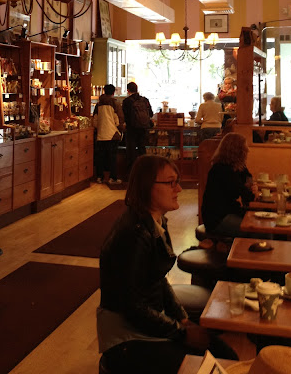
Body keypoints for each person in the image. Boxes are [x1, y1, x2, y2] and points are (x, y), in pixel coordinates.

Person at [97, 154, 237, 374]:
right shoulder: (133, 234)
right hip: (125, 338)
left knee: (224, 353)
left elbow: (158, 280)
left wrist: (182, 318)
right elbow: (133, 307)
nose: (179, 188)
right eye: (171, 182)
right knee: (211, 362)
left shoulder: (155, 222)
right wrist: (181, 332)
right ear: (147, 186)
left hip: (147, 322)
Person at [201, 132, 258, 236]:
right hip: (217, 219)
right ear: (237, 151)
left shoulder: (236, 166)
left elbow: (248, 177)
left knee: (259, 224)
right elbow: (245, 194)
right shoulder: (222, 169)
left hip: (228, 212)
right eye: (245, 147)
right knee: (259, 231)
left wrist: (250, 186)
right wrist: (251, 190)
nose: (248, 150)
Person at [93, 84, 124, 184]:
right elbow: (118, 120)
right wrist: (120, 130)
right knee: (112, 158)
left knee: (100, 157)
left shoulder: (98, 104)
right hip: (112, 134)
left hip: (101, 135)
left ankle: (99, 177)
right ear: (113, 92)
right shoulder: (115, 104)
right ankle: (112, 178)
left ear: (104, 91)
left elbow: (95, 120)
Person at [122, 82, 153, 174]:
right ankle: (143, 172)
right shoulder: (145, 100)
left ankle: (131, 174)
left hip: (131, 129)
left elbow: (124, 116)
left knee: (131, 152)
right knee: (142, 150)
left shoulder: (127, 101)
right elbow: (150, 114)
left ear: (128, 90)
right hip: (143, 129)